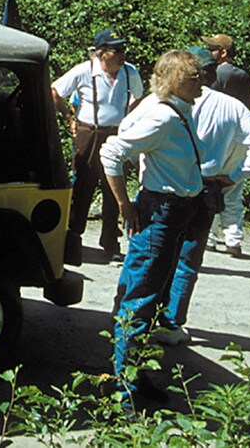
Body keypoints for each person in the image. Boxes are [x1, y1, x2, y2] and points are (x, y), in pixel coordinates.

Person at [98, 49, 205, 406]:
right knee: (139, 301)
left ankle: (133, 377)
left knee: (148, 297)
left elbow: (127, 128)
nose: (202, 85)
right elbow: (112, 152)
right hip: (160, 213)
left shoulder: (164, 107)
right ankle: (123, 393)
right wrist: (124, 203)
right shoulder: (161, 116)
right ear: (176, 82)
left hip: (173, 213)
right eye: (195, 79)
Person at [153, 47, 250, 345]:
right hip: (207, 188)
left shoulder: (165, 100)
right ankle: (172, 323)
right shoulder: (232, 107)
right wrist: (233, 176)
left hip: (167, 186)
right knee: (188, 259)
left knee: (158, 255)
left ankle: (145, 318)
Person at [52, 28, 144, 265]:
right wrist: (69, 119)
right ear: (102, 53)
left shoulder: (130, 73)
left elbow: (139, 101)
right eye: (117, 50)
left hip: (117, 134)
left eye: (124, 49)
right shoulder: (84, 71)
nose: (123, 54)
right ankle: (71, 240)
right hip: (89, 133)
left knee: (114, 189)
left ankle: (111, 243)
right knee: (82, 186)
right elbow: (54, 91)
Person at [203, 34, 250, 108]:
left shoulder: (215, 72)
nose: (208, 53)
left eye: (211, 50)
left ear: (223, 53)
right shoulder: (246, 74)